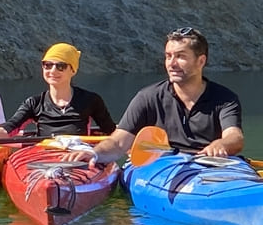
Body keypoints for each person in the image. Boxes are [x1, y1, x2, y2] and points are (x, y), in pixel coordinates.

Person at [92, 28, 243, 165]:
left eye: (180, 56)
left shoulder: (225, 99)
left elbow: (234, 137)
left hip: (210, 164)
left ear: (201, 61)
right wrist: (94, 154)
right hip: (162, 164)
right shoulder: (148, 97)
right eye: (168, 56)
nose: (172, 63)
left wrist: (222, 144)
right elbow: (119, 142)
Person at [0, 43, 115, 139]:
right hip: (45, 156)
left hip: (78, 156)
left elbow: (110, 131)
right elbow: (12, 126)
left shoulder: (91, 100)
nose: (52, 71)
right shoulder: (34, 103)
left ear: (73, 71)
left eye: (61, 66)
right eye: (47, 65)